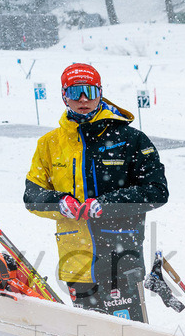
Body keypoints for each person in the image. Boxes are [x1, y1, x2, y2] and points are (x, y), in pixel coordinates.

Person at [23, 63, 168, 321]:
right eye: (75, 91)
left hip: (121, 259)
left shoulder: (131, 139)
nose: (83, 99)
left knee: (129, 335)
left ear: (100, 93)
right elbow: (31, 195)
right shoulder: (49, 144)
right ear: (64, 95)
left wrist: (106, 204)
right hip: (76, 263)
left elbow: (157, 191)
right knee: (87, 335)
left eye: (89, 91)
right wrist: (58, 203)